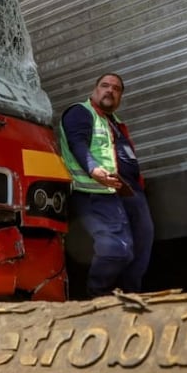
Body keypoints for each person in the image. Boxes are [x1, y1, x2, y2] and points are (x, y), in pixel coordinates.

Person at [58, 73, 154, 298]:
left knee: (141, 249)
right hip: (97, 190)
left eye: (116, 88)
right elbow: (77, 143)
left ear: (120, 96)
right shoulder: (80, 112)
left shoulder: (116, 122)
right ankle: (98, 296)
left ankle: (131, 296)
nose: (110, 90)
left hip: (128, 192)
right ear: (95, 89)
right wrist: (93, 169)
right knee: (116, 249)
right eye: (105, 86)